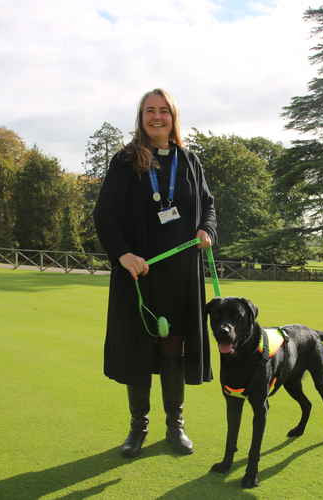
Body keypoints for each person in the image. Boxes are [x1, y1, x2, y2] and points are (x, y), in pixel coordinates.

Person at [93, 88, 217, 458]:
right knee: (139, 353)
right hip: (139, 277)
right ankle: (137, 429)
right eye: (150, 111)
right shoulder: (125, 161)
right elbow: (105, 215)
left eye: (164, 110)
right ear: (141, 117)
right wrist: (122, 254)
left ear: (173, 117)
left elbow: (208, 205)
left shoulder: (190, 160)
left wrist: (206, 230)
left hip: (181, 277)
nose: (157, 117)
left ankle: (175, 427)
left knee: (173, 352)